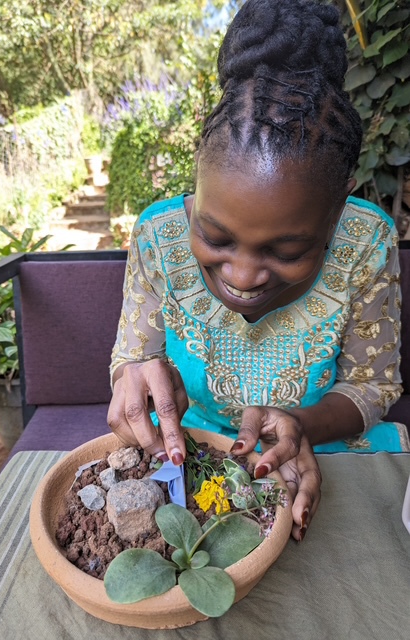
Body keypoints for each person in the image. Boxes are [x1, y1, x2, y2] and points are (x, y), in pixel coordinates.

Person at [107, 0, 408, 542]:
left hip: (321, 447)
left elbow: (372, 385)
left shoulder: (366, 240)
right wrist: (136, 378)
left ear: (337, 211)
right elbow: (133, 361)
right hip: (195, 450)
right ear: (198, 183)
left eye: (288, 251)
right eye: (215, 236)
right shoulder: (157, 237)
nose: (243, 276)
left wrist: (297, 428)